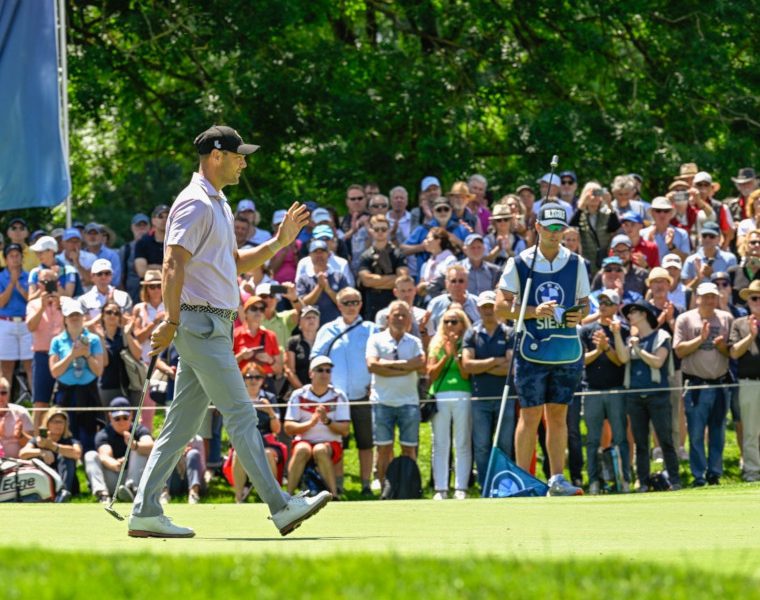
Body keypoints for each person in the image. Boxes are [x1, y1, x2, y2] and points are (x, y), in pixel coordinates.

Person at [130, 125, 328, 539]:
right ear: (216, 155)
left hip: (213, 324)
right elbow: (172, 263)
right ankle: (282, 506)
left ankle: (145, 510)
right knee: (241, 414)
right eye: (239, 155)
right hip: (199, 324)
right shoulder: (195, 204)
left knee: (180, 427)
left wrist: (277, 242)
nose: (244, 161)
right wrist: (169, 321)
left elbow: (233, 262)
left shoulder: (217, 203)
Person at [495, 202, 589, 496]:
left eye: (559, 227)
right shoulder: (519, 262)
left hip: (565, 348)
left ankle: (556, 479)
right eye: (548, 227)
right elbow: (500, 308)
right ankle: (524, 481)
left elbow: (585, 304)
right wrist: (535, 312)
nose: (554, 232)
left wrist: (579, 315)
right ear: (537, 227)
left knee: (558, 415)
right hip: (532, 348)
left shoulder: (576, 263)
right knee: (531, 415)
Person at [311, 287, 377, 496]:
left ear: (361, 304)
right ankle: (337, 485)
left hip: (363, 396)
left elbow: (380, 356)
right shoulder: (327, 330)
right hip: (336, 398)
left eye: (355, 302)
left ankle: (366, 484)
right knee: (337, 443)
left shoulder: (372, 329)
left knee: (366, 443)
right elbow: (316, 358)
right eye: (346, 303)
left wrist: (374, 383)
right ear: (338, 305)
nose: (351, 306)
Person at [616, 300, 681, 491]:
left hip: (658, 396)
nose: (629, 316)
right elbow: (623, 358)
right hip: (634, 397)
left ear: (644, 314)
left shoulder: (661, 336)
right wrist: (616, 335)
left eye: (633, 312)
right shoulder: (631, 339)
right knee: (640, 443)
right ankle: (642, 482)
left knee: (665, 440)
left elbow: (657, 362)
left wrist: (638, 349)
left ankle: (675, 480)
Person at [674, 282, 734, 486]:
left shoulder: (726, 318)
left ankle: (715, 474)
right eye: (705, 296)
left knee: (718, 432)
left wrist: (722, 347)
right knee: (696, 434)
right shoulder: (685, 318)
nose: (709, 300)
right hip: (696, 386)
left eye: (713, 297)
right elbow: (679, 350)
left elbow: (731, 353)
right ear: (697, 297)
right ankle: (699, 475)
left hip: (720, 385)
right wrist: (700, 339)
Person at [366, 300, 425, 486]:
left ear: (408, 319)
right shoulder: (376, 339)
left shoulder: (414, 342)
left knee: (409, 448)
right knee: (384, 449)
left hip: (409, 403)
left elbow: (420, 363)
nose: (399, 318)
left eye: (403, 315)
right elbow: (372, 365)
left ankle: (408, 488)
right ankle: (385, 489)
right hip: (382, 402)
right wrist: (403, 367)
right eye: (396, 315)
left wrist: (387, 365)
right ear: (388, 317)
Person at [579, 290, 630, 494]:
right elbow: (581, 360)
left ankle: (624, 479)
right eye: (600, 302)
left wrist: (606, 349)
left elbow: (621, 361)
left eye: (608, 303)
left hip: (616, 389)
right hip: (592, 390)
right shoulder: (586, 330)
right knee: (592, 440)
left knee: (620, 438)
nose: (603, 306)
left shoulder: (623, 330)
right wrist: (599, 350)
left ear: (616, 306)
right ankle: (594, 482)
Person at [461, 291, 513, 488]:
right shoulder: (472, 333)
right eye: (484, 307)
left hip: (504, 398)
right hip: (480, 398)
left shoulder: (508, 333)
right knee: (482, 446)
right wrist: (494, 361)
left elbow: (510, 369)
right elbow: (467, 365)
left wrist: (482, 367)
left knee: (504, 446)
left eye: (491, 306)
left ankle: (505, 485)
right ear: (478, 309)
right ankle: (486, 485)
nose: (488, 310)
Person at [284, 355, 351, 497]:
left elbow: (345, 430)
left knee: (320, 450)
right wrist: (310, 423)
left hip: (331, 444)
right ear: (310, 374)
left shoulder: (339, 396)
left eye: (328, 370)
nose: (325, 374)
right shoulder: (298, 395)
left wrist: (326, 421)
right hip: (304, 442)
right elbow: (288, 427)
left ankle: (333, 495)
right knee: (302, 449)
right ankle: (288, 496)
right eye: (320, 370)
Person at [427, 306, 472, 500]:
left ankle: (461, 487)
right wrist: (446, 355)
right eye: (446, 321)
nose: (450, 325)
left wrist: (455, 353)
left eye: (455, 321)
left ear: (463, 324)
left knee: (462, 441)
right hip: (440, 396)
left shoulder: (468, 343)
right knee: (440, 442)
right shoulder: (435, 343)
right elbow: (430, 373)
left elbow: (465, 373)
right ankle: (441, 488)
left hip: (463, 394)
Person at [49, 299, 105, 452]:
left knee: (89, 435)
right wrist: (72, 355)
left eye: (78, 315)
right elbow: (54, 371)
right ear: (65, 318)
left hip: (88, 392)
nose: (75, 318)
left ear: (83, 317)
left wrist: (87, 355)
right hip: (65, 393)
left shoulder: (93, 339)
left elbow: (98, 371)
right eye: (71, 315)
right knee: (66, 434)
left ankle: (89, 464)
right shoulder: (56, 341)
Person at [231, 364, 285, 502]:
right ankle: (239, 498)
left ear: (263, 380)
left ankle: (273, 498)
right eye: (249, 377)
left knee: (267, 454)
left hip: (267, 441)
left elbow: (277, 429)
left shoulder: (270, 397)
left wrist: (270, 411)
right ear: (243, 379)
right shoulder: (238, 398)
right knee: (238, 454)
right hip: (244, 440)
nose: (253, 380)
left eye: (257, 377)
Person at [84, 397, 153, 503]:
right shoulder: (103, 434)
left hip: (137, 477)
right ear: (110, 417)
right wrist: (116, 464)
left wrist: (134, 445)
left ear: (131, 415)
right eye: (117, 418)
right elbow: (104, 455)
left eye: (125, 417)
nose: (121, 421)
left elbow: (150, 445)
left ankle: (132, 490)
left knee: (138, 449)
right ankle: (103, 495)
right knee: (90, 455)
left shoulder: (140, 430)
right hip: (115, 476)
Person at [25, 269, 65, 429]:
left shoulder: (66, 303)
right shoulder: (33, 304)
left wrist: (60, 304)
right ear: (38, 285)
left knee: (63, 401)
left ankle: (63, 438)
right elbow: (30, 326)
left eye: (51, 282)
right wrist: (42, 307)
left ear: (58, 284)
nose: (48, 286)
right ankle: (37, 439)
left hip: (64, 357)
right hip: (42, 355)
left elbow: (74, 324)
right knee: (40, 401)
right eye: (44, 282)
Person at [729, 280, 760, 481]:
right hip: (749, 382)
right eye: (754, 298)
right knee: (750, 431)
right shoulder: (739, 324)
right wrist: (751, 335)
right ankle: (753, 471)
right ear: (748, 301)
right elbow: (733, 353)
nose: (758, 301)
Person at [19, 407, 82, 501]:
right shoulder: (38, 440)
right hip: (45, 484)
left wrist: (53, 447)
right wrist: (42, 452)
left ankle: (62, 494)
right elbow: (22, 454)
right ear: (47, 423)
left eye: (61, 422)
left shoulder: (71, 441)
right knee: (35, 458)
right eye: (54, 421)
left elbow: (77, 453)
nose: (58, 425)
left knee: (66, 457)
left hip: (67, 483)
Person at [402, 196, 469, 281]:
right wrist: (422, 247)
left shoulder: (460, 229)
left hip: (456, 279)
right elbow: (402, 250)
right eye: (439, 209)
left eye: (446, 209)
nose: (443, 212)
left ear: (451, 210)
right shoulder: (423, 229)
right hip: (426, 277)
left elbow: (474, 250)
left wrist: (458, 242)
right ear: (433, 211)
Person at [357, 214, 408, 321]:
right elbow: (366, 280)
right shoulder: (365, 255)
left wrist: (375, 283)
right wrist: (392, 278)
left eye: (383, 229)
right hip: (372, 305)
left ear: (388, 231)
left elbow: (402, 280)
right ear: (371, 231)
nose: (380, 232)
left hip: (393, 304)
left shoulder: (398, 254)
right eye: (376, 229)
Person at [94, 300, 142, 406]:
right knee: (109, 420)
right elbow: (104, 363)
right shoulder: (97, 337)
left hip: (130, 386)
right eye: (109, 312)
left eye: (116, 313)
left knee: (131, 420)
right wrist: (101, 339)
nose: (112, 315)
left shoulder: (125, 333)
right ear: (102, 316)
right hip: (107, 386)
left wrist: (128, 334)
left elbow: (138, 355)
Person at [569, 182, 620, 278]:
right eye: (592, 194)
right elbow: (571, 227)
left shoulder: (606, 214)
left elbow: (615, 227)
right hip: (586, 264)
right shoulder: (580, 215)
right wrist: (582, 205)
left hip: (604, 264)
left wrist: (609, 203)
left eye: (598, 194)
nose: (595, 197)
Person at [0, 243, 33, 387]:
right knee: (6, 369)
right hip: (6, 323)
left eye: (17, 255)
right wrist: (12, 282)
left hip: (27, 323)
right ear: (6, 259)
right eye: (11, 256)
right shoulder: (1, 277)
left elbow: (32, 299)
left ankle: (37, 408)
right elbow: (1, 303)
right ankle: (3, 407)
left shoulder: (30, 276)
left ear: (22, 257)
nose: (14, 259)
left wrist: (19, 285)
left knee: (31, 366)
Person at [233, 295, 282, 378]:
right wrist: (241, 356)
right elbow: (224, 365)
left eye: (261, 309)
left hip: (265, 382)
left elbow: (279, 370)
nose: (258, 312)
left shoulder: (271, 336)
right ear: (245, 312)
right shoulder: (235, 334)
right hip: (241, 381)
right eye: (254, 308)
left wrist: (269, 360)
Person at [424, 265, 480, 336]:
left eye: (461, 281)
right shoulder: (435, 303)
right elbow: (429, 330)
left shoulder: (477, 303)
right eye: (453, 281)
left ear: (467, 283)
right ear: (446, 283)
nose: (457, 284)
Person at [681, 222, 738, 289]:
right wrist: (698, 278)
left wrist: (712, 275)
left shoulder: (730, 259)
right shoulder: (691, 260)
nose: (707, 239)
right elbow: (686, 291)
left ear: (719, 238)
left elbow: (731, 287)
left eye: (712, 236)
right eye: (704, 236)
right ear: (700, 237)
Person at [79, 259, 133, 323]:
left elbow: (128, 321)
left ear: (111, 276)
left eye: (107, 273)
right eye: (99, 274)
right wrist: (107, 309)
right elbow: (85, 324)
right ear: (92, 276)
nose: (103, 277)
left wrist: (115, 306)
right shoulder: (83, 300)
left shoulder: (124, 296)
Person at [641, 196, 691, 263]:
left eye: (666, 211)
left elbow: (686, 260)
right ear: (652, 213)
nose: (662, 214)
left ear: (671, 213)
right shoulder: (642, 233)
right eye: (658, 210)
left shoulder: (682, 233)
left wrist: (671, 246)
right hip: (651, 272)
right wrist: (649, 243)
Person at [159, 435, 206, 505]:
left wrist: (188, 459)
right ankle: (164, 494)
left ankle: (194, 494)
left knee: (193, 453)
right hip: (174, 482)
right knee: (168, 453)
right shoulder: (167, 438)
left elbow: (203, 468)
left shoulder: (198, 440)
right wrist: (178, 455)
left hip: (193, 480)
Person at [27, 235, 77, 299]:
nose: (38, 255)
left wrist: (54, 279)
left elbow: (68, 296)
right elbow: (30, 298)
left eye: (41, 252)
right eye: (37, 253)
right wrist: (42, 288)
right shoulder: (34, 272)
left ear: (51, 251)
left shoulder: (69, 270)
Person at [286, 305, 320, 391]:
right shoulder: (293, 342)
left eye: (314, 317)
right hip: (300, 391)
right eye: (308, 317)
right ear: (299, 322)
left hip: (322, 391)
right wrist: (304, 392)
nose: (311, 320)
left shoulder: (325, 340)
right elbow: (290, 372)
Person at [120, 213, 151, 303]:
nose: (141, 228)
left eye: (144, 225)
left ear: (149, 227)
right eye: (138, 225)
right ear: (132, 227)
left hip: (154, 295)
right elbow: (121, 276)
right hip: (131, 296)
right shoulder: (126, 249)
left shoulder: (156, 247)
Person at [0, 375, 33, 458]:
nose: (0, 396)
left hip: (19, 465)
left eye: (3, 393)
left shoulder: (21, 412)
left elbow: (32, 443)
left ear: (9, 394)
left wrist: (21, 436)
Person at [134, 205, 169, 279]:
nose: (165, 219)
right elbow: (142, 272)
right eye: (160, 216)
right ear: (153, 220)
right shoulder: (142, 243)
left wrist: (151, 267)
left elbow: (182, 270)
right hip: (150, 288)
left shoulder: (177, 243)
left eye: (168, 217)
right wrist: (168, 268)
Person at [728, 229, 760, 308]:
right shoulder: (733, 272)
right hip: (739, 317)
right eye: (753, 242)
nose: (757, 245)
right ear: (745, 246)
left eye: (759, 243)